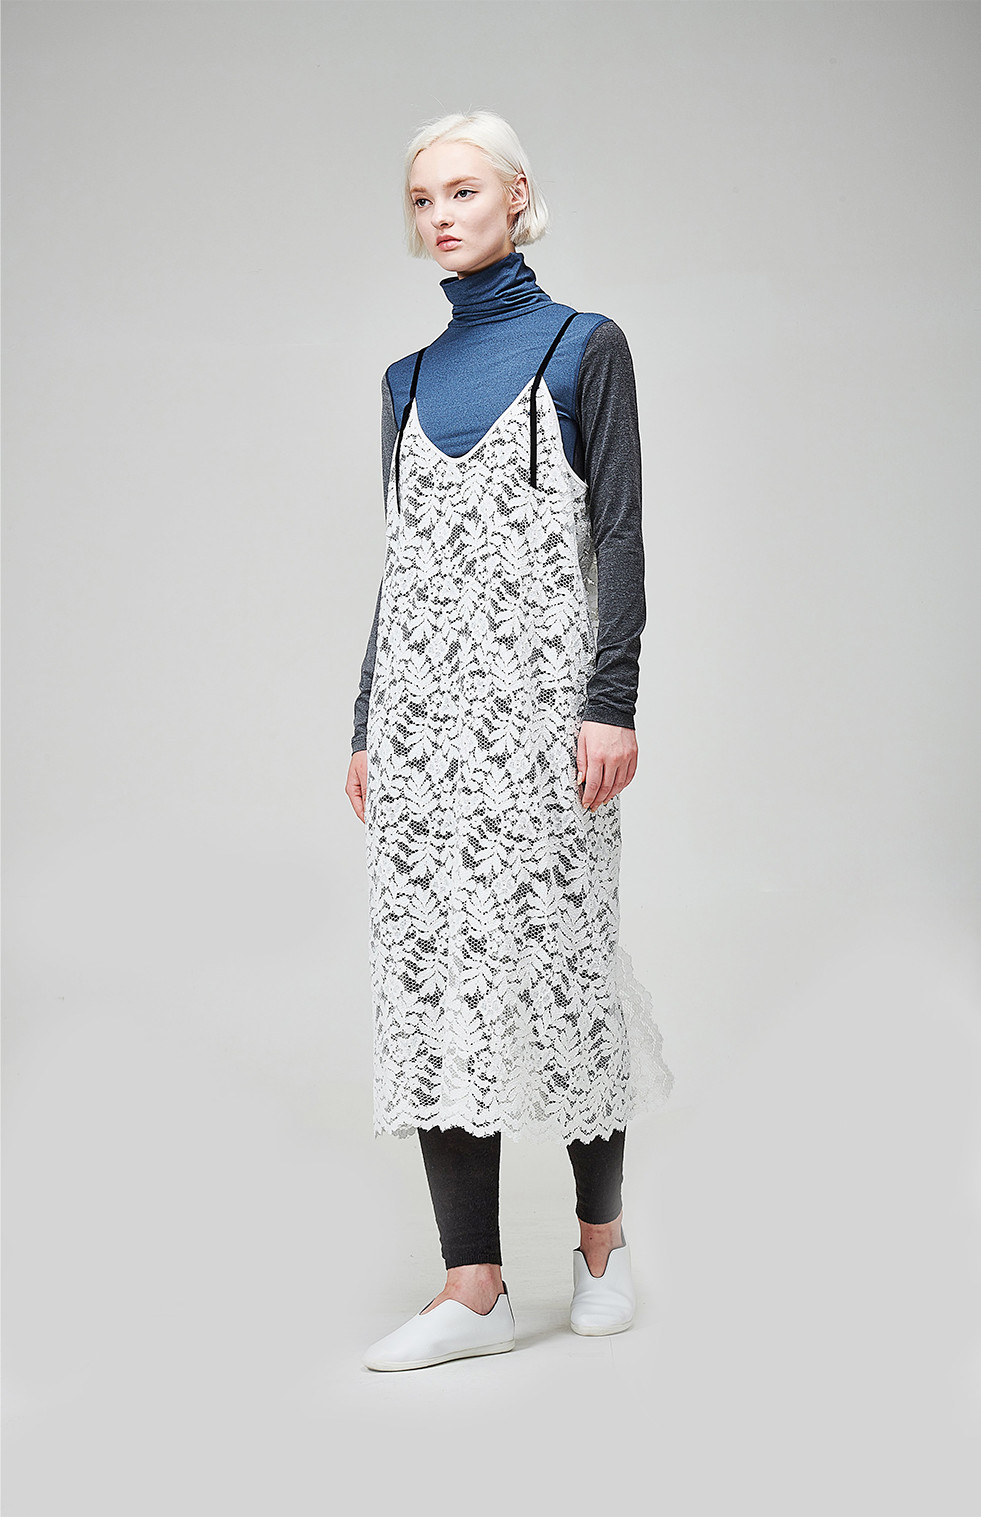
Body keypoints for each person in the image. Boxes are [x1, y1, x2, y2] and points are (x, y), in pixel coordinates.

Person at [344, 110, 674, 1372]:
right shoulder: (403, 382)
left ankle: (601, 1244)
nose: (441, 215)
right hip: (422, 729)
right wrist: (367, 722)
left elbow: (621, 537)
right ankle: (472, 1284)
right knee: (434, 979)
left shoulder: (586, 346)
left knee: (565, 969)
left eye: (463, 191)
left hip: (544, 721)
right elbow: (402, 568)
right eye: (422, 197)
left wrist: (612, 699)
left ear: (518, 195)